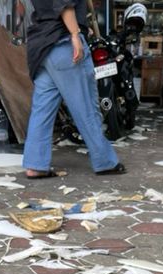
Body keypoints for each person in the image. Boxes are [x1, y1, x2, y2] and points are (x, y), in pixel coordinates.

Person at [23, 0, 125, 178]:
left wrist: (81, 27)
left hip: (42, 46)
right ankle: (105, 162)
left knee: (42, 110)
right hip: (64, 44)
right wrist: (75, 35)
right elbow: (64, 4)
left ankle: (35, 165)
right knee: (86, 107)